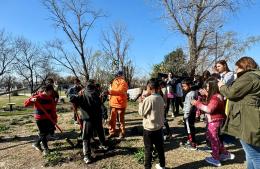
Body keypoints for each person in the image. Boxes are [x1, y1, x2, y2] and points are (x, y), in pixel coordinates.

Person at [218, 56, 260, 169]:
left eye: (237, 68)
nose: (236, 71)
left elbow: (232, 93)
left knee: (255, 156)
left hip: (248, 121)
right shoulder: (254, 76)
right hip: (248, 119)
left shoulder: (249, 77)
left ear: (244, 66)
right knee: (250, 155)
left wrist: (222, 86)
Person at [192, 77, 235, 167]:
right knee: (215, 138)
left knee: (213, 139)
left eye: (208, 86)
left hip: (214, 121)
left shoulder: (215, 97)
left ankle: (216, 158)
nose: (206, 88)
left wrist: (197, 103)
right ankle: (224, 153)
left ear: (213, 87)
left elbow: (209, 109)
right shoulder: (217, 96)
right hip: (216, 120)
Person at [68, 79, 108, 164]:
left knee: (86, 138)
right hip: (97, 118)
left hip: (88, 119)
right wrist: (104, 96)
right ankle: (103, 145)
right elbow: (101, 103)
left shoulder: (83, 94)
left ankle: (87, 156)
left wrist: (75, 96)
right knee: (100, 131)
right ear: (93, 86)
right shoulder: (96, 93)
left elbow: (71, 98)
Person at [139, 78, 165, 169]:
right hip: (159, 128)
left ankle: (147, 167)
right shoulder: (160, 97)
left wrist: (141, 102)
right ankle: (162, 165)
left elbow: (142, 113)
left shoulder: (148, 99)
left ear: (150, 88)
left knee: (148, 149)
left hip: (149, 129)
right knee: (160, 148)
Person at [24, 84, 57, 155]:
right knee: (43, 133)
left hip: (48, 118)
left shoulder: (50, 99)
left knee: (46, 133)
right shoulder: (37, 97)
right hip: (40, 119)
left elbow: (53, 110)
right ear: (47, 91)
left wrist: (54, 119)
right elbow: (25, 104)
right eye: (51, 91)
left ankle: (36, 144)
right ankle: (46, 149)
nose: (52, 93)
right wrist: (31, 99)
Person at [108, 70, 128, 139]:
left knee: (121, 120)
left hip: (121, 104)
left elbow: (120, 91)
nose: (116, 76)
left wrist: (110, 92)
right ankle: (112, 132)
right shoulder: (114, 81)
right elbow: (113, 91)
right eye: (116, 75)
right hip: (113, 104)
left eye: (118, 75)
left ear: (121, 75)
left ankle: (122, 133)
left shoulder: (123, 82)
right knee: (112, 119)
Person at [181, 79, 198, 150]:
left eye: (184, 86)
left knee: (189, 129)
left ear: (190, 85)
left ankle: (192, 143)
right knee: (191, 127)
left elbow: (189, 106)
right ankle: (192, 140)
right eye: (182, 86)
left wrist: (185, 115)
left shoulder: (190, 94)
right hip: (192, 113)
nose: (183, 88)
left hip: (189, 114)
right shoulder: (193, 93)